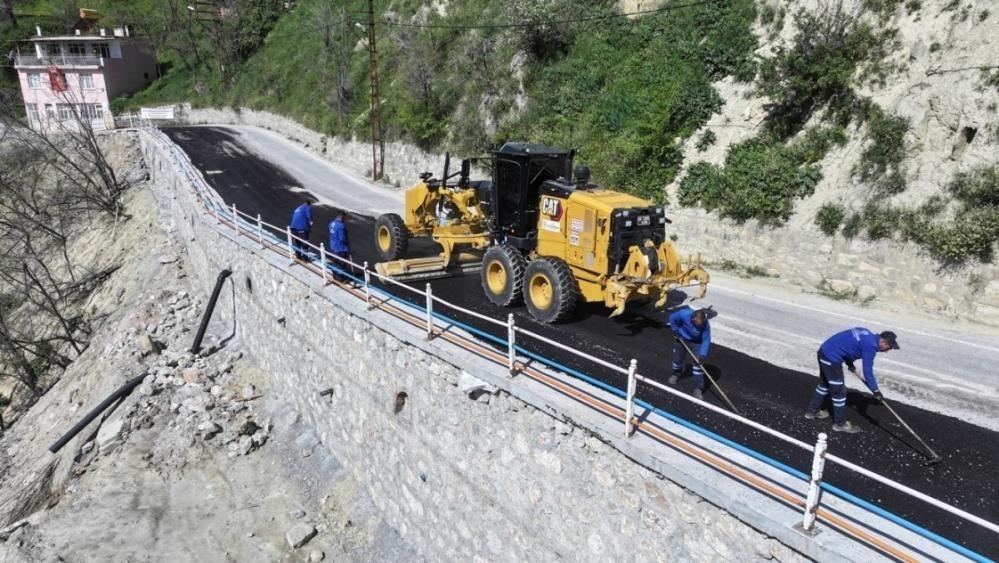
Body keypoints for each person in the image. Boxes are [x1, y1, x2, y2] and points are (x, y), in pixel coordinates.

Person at [805, 328, 899, 434]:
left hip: (824, 351)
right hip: (831, 359)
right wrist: (876, 390)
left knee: (824, 385)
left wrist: (849, 362)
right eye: (888, 348)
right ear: (883, 342)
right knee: (839, 393)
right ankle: (840, 424)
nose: (886, 351)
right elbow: (867, 371)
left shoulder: (866, 333)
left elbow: (849, 345)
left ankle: (812, 412)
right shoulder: (870, 347)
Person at [667, 307, 711, 400]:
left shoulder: (705, 325)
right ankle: (676, 374)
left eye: (701, 324)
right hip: (682, 338)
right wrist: (675, 330)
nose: (699, 327)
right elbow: (672, 318)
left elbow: (706, 340)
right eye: (697, 324)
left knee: (698, 365)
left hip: (697, 342)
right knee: (677, 359)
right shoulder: (684, 314)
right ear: (693, 319)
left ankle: (698, 388)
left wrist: (703, 354)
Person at [328, 210, 351, 280]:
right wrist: (348, 245)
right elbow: (342, 238)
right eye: (345, 217)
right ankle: (340, 278)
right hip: (340, 248)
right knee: (341, 263)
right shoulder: (341, 226)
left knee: (335, 262)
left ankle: (335, 276)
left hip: (333, 246)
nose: (345, 219)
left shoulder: (331, 223)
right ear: (342, 217)